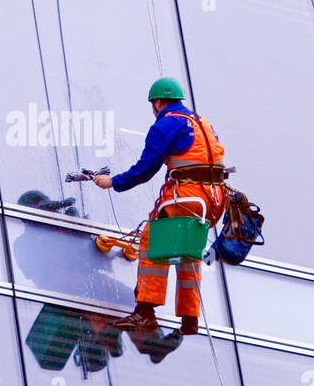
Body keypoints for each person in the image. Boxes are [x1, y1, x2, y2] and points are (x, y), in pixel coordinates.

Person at [95, 77, 227, 339]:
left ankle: (145, 312)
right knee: (188, 252)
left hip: (190, 194)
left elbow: (145, 169)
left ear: (156, 102)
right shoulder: (202, 123)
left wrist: (112, 182)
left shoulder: (167, 123)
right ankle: (190, 318)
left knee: (151, 241)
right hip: (215, 200)